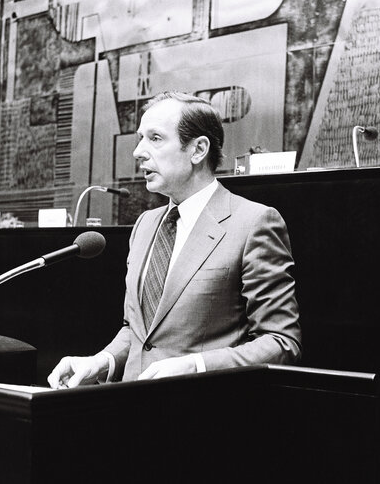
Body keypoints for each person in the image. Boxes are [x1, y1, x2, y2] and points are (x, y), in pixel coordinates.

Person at [48, 91, 301, 387]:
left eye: (155, 138)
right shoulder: (145, 224)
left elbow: (282, 342)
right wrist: (101, 361)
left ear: (198, 150)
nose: (138, 151)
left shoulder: (253, 223)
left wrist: (196, 366)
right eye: (140, 138)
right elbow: (140, 332)